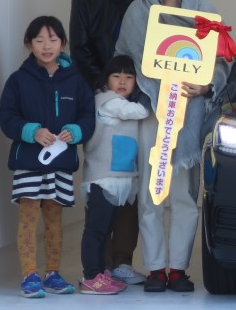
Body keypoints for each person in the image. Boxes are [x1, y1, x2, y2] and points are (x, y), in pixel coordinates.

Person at [115, 0, 230, 293]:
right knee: (151, 193)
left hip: (189, 113)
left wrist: (206, 85)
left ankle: (178, 268)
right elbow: (124, 57)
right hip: (152, 110)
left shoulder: (204, 9)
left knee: (183, 194)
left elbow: (222, 60)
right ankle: (154, 268)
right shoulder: (138, 11)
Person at [0, 16, 95, 298]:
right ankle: (29, 275)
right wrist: (31, 131)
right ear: (29, 44)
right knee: (28, 219)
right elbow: (6, 116)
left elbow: (88, 116)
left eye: (52, 39)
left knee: (54, 219)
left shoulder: (75, 80)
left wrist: (76, 131)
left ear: (63, 43)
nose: (46, 46)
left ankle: (53, 273)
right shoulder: (18, 80)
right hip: (28, 163)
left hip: (61, 164)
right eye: (39, 40)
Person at [69, 0, 148, 285]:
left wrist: (141, 94)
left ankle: (122, 260)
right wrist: (104, 90)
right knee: (103, 175)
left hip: (143, 99)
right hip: (100, 102)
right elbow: (81, 51)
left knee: (132, 177)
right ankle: (99, 266)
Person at [80, 55, 150, 295]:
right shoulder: (107, 100)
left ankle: (101, 274)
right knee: (96, 230)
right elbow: (140, 111)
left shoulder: (119, 101)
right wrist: (153, 94)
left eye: (129, 77)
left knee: (105, 229)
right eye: (116, 76)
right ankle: (90, 276)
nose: (122, 82)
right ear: (106, 80)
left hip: (116, 178)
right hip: (102, 178)